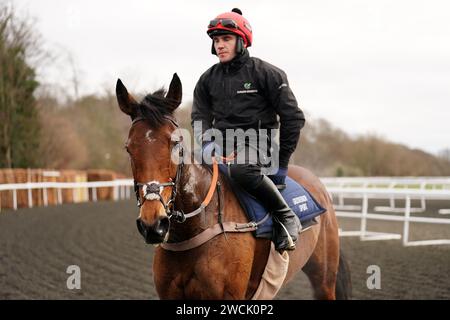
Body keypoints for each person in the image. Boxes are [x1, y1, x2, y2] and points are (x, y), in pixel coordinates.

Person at [191, 8, 305, 251]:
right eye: (216, 40)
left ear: (242, 42)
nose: (220, 45)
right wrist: (207, 142)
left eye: (226, 39)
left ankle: (285, 216)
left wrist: (282, 163)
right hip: (220, 144)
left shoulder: (268, 74)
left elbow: (293, 118)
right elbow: (199, 116)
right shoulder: (206, 80)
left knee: (241, 169)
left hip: (259, 144)